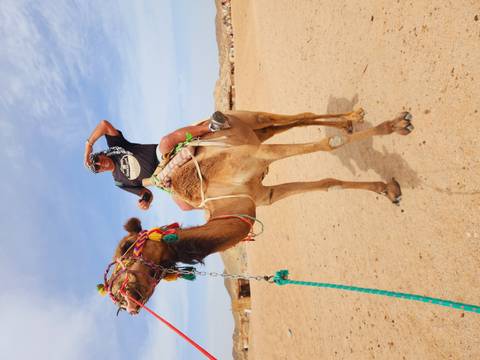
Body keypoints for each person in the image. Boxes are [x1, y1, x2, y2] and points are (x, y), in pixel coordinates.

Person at [83, 112, 229, 211]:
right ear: (100, 172)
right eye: (97, 168)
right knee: (184, 206)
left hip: (160, 156)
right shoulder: (120, 182)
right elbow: (145, 192)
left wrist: (88, 146)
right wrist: (145, 201)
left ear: (100, 154)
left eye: (96, 160)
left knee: (166, 141)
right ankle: (218, 208)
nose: (99, 164)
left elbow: (104, 124)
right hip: (162, 178)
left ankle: (211, 127)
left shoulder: (116, 147)